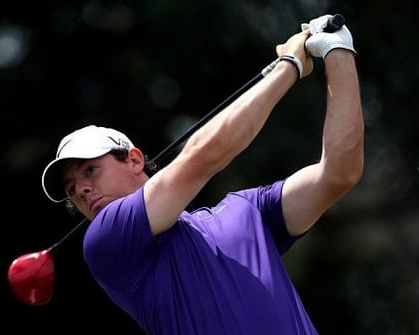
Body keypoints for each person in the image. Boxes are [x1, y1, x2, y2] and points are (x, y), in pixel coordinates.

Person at [40, 14, 364, 335]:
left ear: (135, 160)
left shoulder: (248, 210)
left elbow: (338, 172)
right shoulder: (106, 241)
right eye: (70, 188)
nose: (81, 189)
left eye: (90, 170)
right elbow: (204, 156)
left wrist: (338, 52)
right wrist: (288, 66)